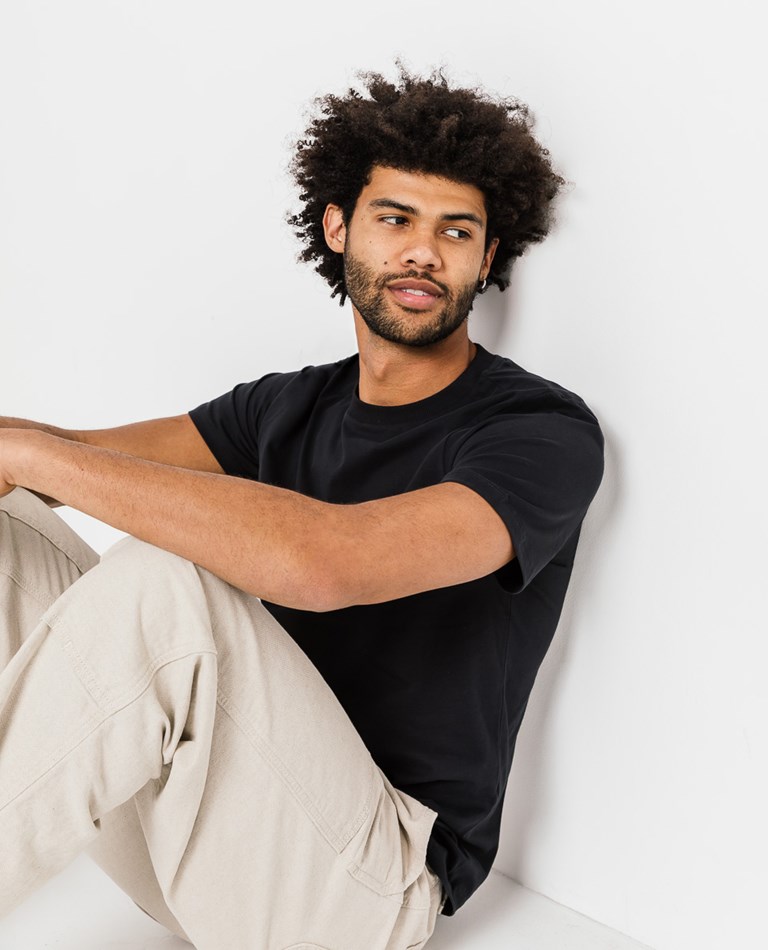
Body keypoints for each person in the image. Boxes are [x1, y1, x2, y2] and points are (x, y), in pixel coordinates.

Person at [0, 68, 604, 949]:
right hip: (200, 842)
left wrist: (28, 455)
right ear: (338, 227)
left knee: (163, 588)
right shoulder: (289, 405)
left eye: (456, 231)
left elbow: (327, 564)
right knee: (10, 526)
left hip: (366, 885)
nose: (423, 252)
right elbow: (72, 458)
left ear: (486, 257)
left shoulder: (539, 432)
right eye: (395, 219)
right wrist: (18, 448)